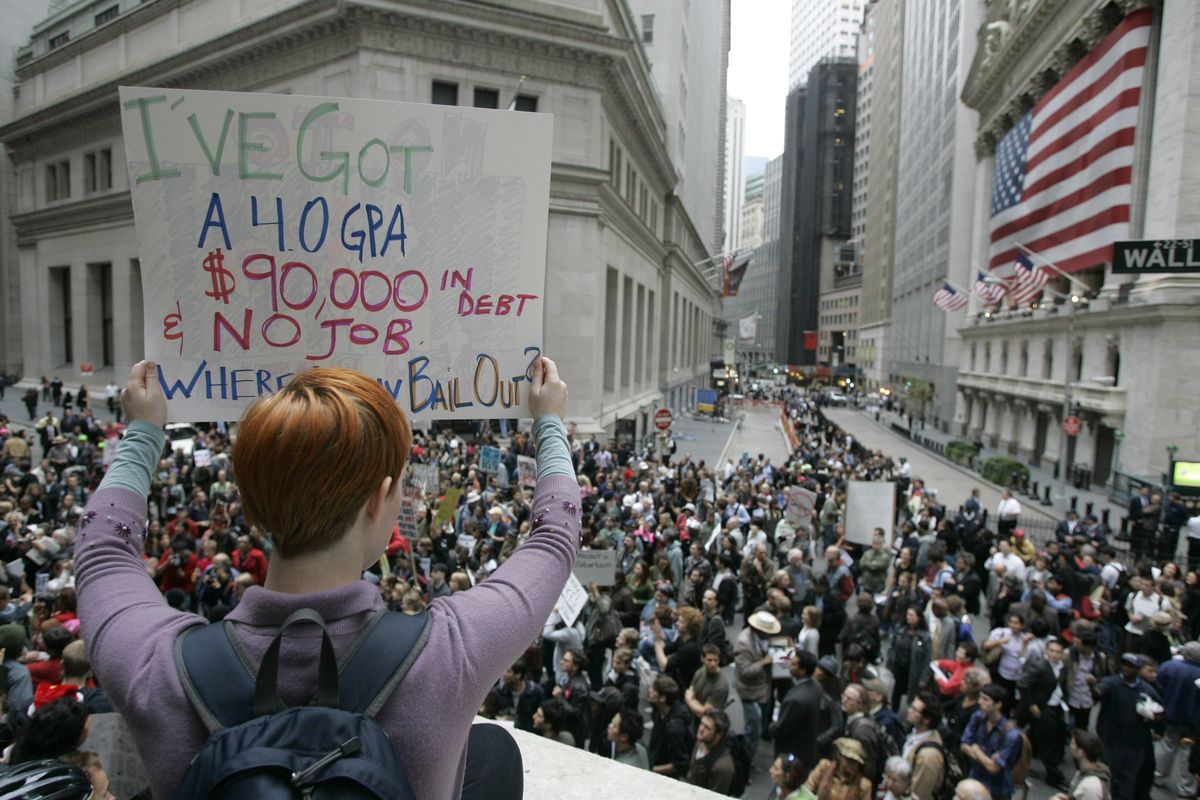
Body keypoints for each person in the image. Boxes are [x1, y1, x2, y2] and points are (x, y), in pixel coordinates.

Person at [76, 358, 576, 799]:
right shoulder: (451, 653)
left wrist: (144, 431)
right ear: (380, 498)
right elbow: (554, 538)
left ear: (250, 499)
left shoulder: (153, 668)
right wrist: (548, 421)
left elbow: (103, 550)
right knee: (492, 752)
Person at [1094, 653, 1162, 800]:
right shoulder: (1112, 683)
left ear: (1137, 669)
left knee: (1128, 780)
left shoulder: (1147, 690)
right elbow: (1098, 692)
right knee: (1108, 775)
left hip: (1135, 744)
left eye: (1131, 666)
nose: (1126, 668)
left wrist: (1154, 716)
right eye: (1124, 664)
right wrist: (1091, 686)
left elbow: (1160, 714)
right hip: (1111, 740)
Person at [1017, 637, 1069, 790]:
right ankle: (1054, 775)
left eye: (1058, 652)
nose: (1054, 654)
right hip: (1043, 708)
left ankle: (1020, 760)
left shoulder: (1062, 667)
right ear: (1046, 651)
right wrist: (1031, 705)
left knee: (1035, 736)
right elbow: (1022, 684)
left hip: (1056, 705)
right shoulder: (1040, 666)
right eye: (1052, 651)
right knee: (1047, 741)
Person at [959, 685, 1023, 800]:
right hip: (975, 777)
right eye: (980, 698)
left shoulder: (1010, 734)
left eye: (985, 699)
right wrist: (986, 759)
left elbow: (993, 768)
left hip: (997, 788)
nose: (980, 702)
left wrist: (976, 749)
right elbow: (963, 744)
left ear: (998, 705)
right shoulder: (978, 717)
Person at [1154, 640, 1200, 799]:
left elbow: (1158, 685)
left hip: (1171, 714)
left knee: (1167, 745)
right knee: (1188, 752)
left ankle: (1158, 774)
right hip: (1194, 721)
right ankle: (1186, 788)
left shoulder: (1170, 666)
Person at [735, 610, 779, 760]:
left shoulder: (762, 639)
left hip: (762, 690)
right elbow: (744, 672)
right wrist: (763, 662)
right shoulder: (743, 643)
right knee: (753, 728)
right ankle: (745, 761)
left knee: (755, 726)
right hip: (749, 692)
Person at [771, 648, 826, 768]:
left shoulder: (796, 700)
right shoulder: (816, 686)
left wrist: (771, 727)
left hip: (792, 751)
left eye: (794, 664)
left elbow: (782, 727)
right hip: (806, 748)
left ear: (803, 670)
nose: (790, 665)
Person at [647, 675, 694, 779]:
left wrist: (651, 770)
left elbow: (680, 764)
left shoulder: (675, 729)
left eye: (654, 690)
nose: (650, 691)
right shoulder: (659, 709)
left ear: (662, 698)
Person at [904, 691, 947, 800]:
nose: (909, 711)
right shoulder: (915, 732)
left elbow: (919, 794)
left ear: (927, 720)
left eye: (915, 710)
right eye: (911, 707)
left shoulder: (928, 756)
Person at [804, 737, 874, 800]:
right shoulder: (824, 768)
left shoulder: (863, 785)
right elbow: (807, 790)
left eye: (855, 762)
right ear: (840, 756)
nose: (852, 764)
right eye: (849, 759)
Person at [686, 708, 736, 793]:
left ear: (719, 734)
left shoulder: (723, 767)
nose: (701, 729)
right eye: (701, 723)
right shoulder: (700, 742)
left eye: (707, 728)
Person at [1053, 729, 1113, 800]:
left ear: (1080, 753)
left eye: (1072, 744)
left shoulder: (1090, 786)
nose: (1070, 746)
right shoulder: (1084, 771)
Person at [684, 643, 729, 718]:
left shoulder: (721, 686)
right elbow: (692, 692)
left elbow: (704, 713)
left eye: (716, 660)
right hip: (693, 717)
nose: (713, 664)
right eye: (709, 660)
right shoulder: (700, 672)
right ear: (702, 659)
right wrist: (695, 706)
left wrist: (689, 700)